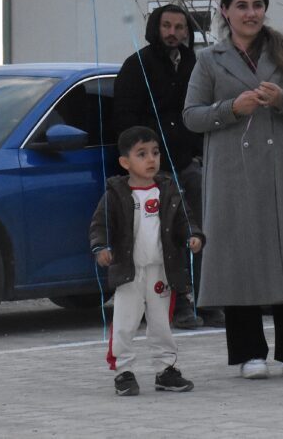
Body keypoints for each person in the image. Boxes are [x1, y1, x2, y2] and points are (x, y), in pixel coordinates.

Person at [183, 0, 283, 379]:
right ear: (225, 12)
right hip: (231, 173)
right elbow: (191, 115)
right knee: (238, 258)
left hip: (281, 172)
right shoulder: (209, 59)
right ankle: (248, 352)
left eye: (257, 4)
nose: (250, 13)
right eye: (241, 5)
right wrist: (232, 108)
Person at [112, 4, 216, 329]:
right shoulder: (136, 66)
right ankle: (178, 301)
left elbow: (203, 110)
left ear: (188, 31)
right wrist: (144, 158)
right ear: (155, 28)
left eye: (180, 27)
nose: (173, 33)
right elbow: (124, 120)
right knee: (164, 235)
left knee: (199, 229)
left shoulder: (194, 64)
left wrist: (198, 153)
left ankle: (207, 299)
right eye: (167, 26)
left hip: (187, 162)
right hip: (151, 170)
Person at [89, 126, 203, 396]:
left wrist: (193, 236)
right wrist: (101, 247)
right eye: (142, 154)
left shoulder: (168, 190)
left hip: (161, 271)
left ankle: (166, 369)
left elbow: (186, 219)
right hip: (130, 273)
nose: (151, 159)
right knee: (125, 322)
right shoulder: (115, 194)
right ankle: (124, 371)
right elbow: (99, 226)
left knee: (161, 322)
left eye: (155, 152)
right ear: (125, 162)